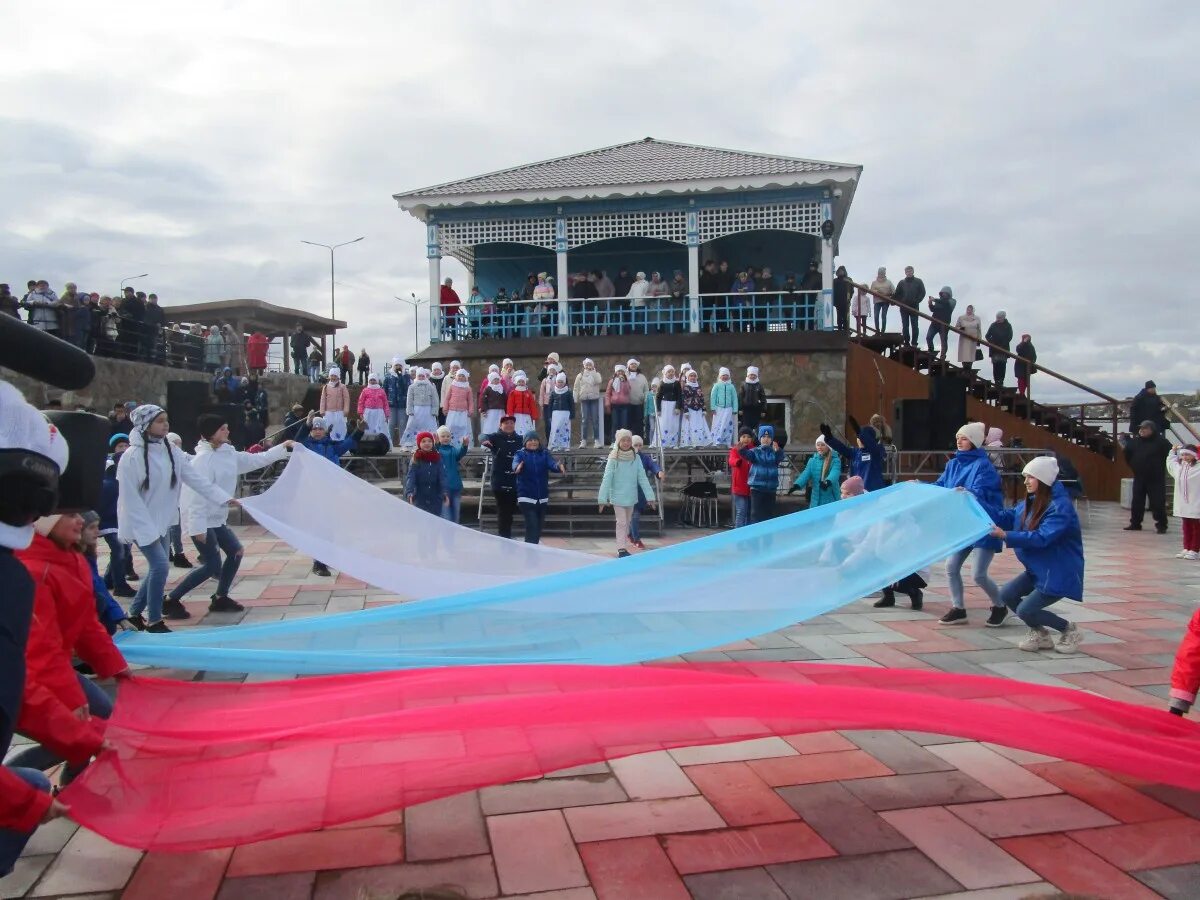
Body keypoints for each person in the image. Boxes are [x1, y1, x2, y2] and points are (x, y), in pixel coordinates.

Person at [11, 513, 130, 783]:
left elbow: (86, 621)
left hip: (52, 667)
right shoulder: (33, 571)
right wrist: (72, 699)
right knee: (71, 732)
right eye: (70, 515)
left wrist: (115, 665)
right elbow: (39, 647)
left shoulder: (71, 559)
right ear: (46, 522)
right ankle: (12, 786)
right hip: (23, 677)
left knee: (95, 719)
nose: (79, 521)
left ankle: (71, 784)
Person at [117, 405, 235, 631]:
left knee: (156, 568)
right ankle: (153, 620)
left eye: (166, 420)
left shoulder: (170, 450)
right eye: (160, 421)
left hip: (161, 522)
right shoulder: (131, 457)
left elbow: (194, 478)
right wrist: (147, 531)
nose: (166, 424)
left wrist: (223, 498)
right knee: (160, 566)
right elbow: (130, 500)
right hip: (141, 523)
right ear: (146, 425)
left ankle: (133, 614)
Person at [170, 415, 293, 614]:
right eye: (222, 429)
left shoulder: (228, 453)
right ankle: (171, 599)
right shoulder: (202, 460)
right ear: (210, 434)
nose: (227, 431)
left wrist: (282, 448)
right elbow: (194, 496)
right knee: (211, 565)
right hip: (201, 519)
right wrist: (197, 527)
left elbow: (255, 460)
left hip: (217, 518)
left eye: (227, 427)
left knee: (236, 552)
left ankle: (220, 597)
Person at [982, 457, 1085, 654]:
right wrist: (974, 501)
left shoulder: (1060, 507)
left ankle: (1069, 630)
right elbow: (1006, 516)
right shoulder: (1030, 501)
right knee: (1006, 594)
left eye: (1031, 477)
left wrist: (1005, 535)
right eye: (1025, 477)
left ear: (1044, 479)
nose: (1026, 481)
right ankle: (1040, 634)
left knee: (1026, 610)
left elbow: (1042, 537)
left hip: (1058, 570)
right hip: (1039, 568)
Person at [930, 422, 1008, 626]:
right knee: (951, 566)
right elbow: (940, 486)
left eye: (964, 438)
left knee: (979, 574)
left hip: (983, 523)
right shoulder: (952, 464)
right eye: (958, 437)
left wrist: (966, 493)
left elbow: (981, 492)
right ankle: (958, 608)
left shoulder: (984, 466)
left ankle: (1000, 605)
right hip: (963, 524)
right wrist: (919, 487)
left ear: (974, 441)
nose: (959, 441)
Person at [296, 413, 361, 576]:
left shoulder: (332, 446)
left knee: (329, 526)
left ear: (325, 431)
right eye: (315, 428)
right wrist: (305, 424)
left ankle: (326, 558)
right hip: (315, 491)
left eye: (320, 428)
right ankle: (318, 563)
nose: (317, 431)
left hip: (331, 490)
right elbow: (297, 440)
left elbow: (348, 443)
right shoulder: (307, 446)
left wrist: (359, 431)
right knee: (319, 526)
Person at [598, 429, 657, 558]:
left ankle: (623, 546)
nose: (626, 443)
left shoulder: (635, 458)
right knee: (621, 522)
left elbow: (642, 477)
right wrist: (602, 499)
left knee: (628, 521)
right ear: (618, 441)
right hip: (618, 496)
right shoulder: (613, 457)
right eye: (623, 440)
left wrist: (650, 497)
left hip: (631, 496)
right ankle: (621, 549)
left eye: (628, 440)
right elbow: (607, 478)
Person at [77, 512, 134, 635]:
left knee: (106, 616)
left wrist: (120, 618)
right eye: (91, 528)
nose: (97, 532)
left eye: (97, 527)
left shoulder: (87, 554)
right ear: (79, 529)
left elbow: (99, 587)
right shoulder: (74, 558)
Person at [99, 435, 135, 598]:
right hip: (109, 523)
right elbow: (100, 506)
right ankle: (120, 585)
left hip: (122, 522)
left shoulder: (128, 482)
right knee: (119, 550)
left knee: (123, 551)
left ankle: (108, 580)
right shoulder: (108, 483)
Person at [513, 431, 565, 544]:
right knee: (532, 524)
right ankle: (530, 551)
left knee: (538, 527)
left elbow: (552, 464)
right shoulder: (520, 454)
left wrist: (558, 466)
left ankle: (533, 549)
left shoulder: (544, 453)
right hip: (526, 497)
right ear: (525, 442)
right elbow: (515, 464)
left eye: (535, 440)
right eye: (530, 440)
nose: (533, 442)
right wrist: (517, 467)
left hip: (542, 498)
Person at [1121, 420, 1172, 533]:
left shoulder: (1162, 442)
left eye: (1145, 428)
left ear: (1152, 430)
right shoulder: (1134, 442)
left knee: (1158, 502)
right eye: (1140, 428)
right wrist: (1134, 466)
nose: (1141, 430)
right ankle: (1135, 523)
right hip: (1139, 476)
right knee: (1137, 501)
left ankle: (1162, 525)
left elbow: (1171, 456)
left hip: (1156, 478)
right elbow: (1127, 455)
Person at [481, 416, 522, 539]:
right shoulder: (495, 437)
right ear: (500, 425)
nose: (509, 425)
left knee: (510, 511)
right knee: (503, 511)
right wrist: (484, 440)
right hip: (499, 481)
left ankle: (506, 536)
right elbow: (482, 436)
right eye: (506, 423)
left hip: (514, 480)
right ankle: (504, 538)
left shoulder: (520, 439)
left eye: (511, 423)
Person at [739, 425, 786, 523]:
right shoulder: (755, 451)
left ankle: (768, 537)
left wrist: (778, 451)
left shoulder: (774, 452)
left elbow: (780, 457)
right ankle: (755, 536)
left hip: (771, 489)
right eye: (763, 437)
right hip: (757, 488)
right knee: (756, 514)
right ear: (759, 438)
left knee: (769, 515)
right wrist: (741, 448)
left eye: (769, 437)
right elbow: (747, 455)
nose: (766, 439)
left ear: (772, 439)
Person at [629, 435, 663, 549]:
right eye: (635, 445)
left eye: (640, 445)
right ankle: (636, 539)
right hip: (627, 492)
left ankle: (631, 535)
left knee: (634, 515)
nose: (638, 447)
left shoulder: (644, 458)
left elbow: (653, 465)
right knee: (633, 516)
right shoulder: (626, 457)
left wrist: (658, 472)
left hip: (640, 493)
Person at [788, 435, 841, 507]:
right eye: (818, 445)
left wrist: (828, 482)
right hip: (815, 499)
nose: (820, 447)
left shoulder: (835, 460)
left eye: (822, 445)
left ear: (828, 447)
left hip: (830, 498)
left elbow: (835, 472)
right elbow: (806, 474)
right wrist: (797, 485)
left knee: (829, 517)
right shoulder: (812, 460)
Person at [165, 432, 193, 569]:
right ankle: (177, 553)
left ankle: (176, 552)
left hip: (178, 499)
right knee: (172, 527)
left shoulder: (182, 456)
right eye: (174, 443)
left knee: (175, 526)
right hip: (167, 500)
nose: (177, 446)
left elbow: (194, 460)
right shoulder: (164, 459)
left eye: (179, 443)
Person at [1168, 445, 1200, 560]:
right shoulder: (1180, 467)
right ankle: (1186, 547)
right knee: (1186, 525)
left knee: (1196, 526)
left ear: (1194, 455)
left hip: (1196, 500)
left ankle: (1195, 549)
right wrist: (1173, 451)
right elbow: (1171, 462)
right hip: (1183, 501)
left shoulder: (1198, 468)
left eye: (1188, 454)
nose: (1185, 457)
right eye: (1183, 455)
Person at [405, 432, 447, 516]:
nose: (427, 443)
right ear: (419, 444)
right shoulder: (416, 459)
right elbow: (411, 477)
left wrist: (445, 493)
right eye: (423, 441)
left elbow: (442, 477)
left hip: (435, 498)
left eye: (429, 441)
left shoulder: (437, 458)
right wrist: (410, 493)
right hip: (419, 497)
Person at [435, 426, 470, 524]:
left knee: (456, 517)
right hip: (443, 489)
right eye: (443, 436)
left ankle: (453, 537)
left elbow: (460, 453)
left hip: (455, 487)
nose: (446, 438)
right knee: (446, 517)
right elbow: (435, 450)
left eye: (448, 436)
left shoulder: (453, 449)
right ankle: (446, 537)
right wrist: (436, 444)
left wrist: (464, 445)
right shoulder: (437, 450)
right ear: (438, 438)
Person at [441, 367, 476, 447]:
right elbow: (447, 398)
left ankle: (464, 444)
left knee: (463, 427)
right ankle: (450, 443)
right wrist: (445, 408)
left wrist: (471, 410)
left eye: (462, 376)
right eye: (459, 376)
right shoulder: (452, 386)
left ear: (466, 377)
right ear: (456, 376)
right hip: (452, 410)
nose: (460, 377)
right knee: (451, 426)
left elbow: (470, 400)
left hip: (463, 411)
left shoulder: (468, 388)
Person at [892, 266, 925, 347]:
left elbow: (922, 292)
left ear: (913, 271)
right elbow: (897, 294)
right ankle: (906, 342)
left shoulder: (918, 281)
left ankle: (914, 343)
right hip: (903, 307)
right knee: (905, 326)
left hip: (914, 307)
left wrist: (917, 300)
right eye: (907, 271)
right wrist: (893, 301)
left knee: (915, 325)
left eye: (910, 271)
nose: (909, 272)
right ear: (905, 273)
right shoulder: (901, 282)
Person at [356, 372, 391, 448]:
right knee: (368, 428)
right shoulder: (365, 390)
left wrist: (387, 414)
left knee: (381, 428)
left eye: (374, 380)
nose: (372, 381)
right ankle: (366, 445)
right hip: (368, 412)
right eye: (371, 380)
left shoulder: (381, 390)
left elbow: (385, 403)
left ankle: (384, 445)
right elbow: (361, 402)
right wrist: (361, 412)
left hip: (379, 412)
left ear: (377, 381)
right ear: (368, 381)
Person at [728, 428, 754, 527]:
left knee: (749, 512)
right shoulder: (735, 449)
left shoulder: (753, 450)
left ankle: (747, 533)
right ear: (739, 438)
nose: (746, 439)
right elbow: (731, 460)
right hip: (739, 487)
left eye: (748, 437)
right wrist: (737, 462)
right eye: (743, 437)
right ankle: (738, 534)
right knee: (741, 511)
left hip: (751, 486)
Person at [574, 359, 603, 447]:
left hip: (594, 398)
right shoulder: (580, 375)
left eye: (590, 364)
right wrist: (576, 398)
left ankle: (597, 440)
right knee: (584, 420)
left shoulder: (596, 374)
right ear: (584, 366)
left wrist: (593, 371)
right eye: (587, 365)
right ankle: (583, 440)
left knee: (595, 420)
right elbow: (576, 387)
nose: (588, 366)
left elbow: (599, 381)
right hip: (584, 399)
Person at [319, 367, 352, 442]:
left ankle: (340, 440)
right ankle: (328, 440)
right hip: (328, 412)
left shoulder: (343, 387)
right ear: (329, 376)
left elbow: (346, 399)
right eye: (332, 376)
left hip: (339, 411)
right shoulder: (326, 387)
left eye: (335, 376)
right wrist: (322, 410)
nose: (333, 377)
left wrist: (346, 409)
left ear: (338, 377)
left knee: (339, 427)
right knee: (328, 426)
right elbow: (323, 399)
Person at [680, 369, 711, 447]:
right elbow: (684, 399)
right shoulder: (686, 387)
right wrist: (686, 410)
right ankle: (690, 443)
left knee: (699, 426)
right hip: (690, 410)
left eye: (694, 376)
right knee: (690, 426)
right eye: (691, 376)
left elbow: (701, 398)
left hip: (699, 410)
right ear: (687, 377)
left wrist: (704, 409)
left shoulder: (698, 387)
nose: (693, 377)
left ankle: (699, 443)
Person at [384, 357, 411, 446]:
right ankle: (389, 443)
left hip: (402, 404)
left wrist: (400, 377)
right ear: (393, 366)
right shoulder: (388, 376)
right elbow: (384, 390)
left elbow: (406, 388)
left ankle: (403, 443)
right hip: (391, 403)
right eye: (396, 365)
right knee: (391, 424)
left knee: (402, 424)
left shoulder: (406, 376)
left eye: (400, 365)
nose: (398, 367)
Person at [708, 367, 738, 446]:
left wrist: (735, 409)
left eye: (726, 375)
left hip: (728, 408)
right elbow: (713, 397)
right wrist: (713, 408)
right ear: (720, 376)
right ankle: (716, 441)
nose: (725, 377)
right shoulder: (717, 386)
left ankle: (726, 442)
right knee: (718, 424)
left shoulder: (731, 386)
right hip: (718, 408)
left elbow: (734, 398)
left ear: (729, 376)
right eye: (723, 375)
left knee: (727, 424)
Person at [926, 286, 957, 360]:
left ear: (949, 294)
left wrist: (934, 299)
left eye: (946, 293)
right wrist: (930, 303)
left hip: (944, 325)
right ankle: (931, 351)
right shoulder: (938, 301)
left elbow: (945, 303)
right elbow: (933, 309)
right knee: (928, 337)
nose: (944, 294)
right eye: (943, 293)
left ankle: (943, 356)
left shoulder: (952, 301)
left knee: (943, 342)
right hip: (934, 323)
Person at [656, 364, 682, 448]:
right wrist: (658, 409)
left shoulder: (677, 383)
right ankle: (663, 443)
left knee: (673, 424)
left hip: (674, 406)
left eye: (672, 372)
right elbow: (658, 397)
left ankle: (673, 443)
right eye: (669, 372)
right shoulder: (662, 383)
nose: (671, 373)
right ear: (665, 373)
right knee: (664, 424)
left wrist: (678, 407)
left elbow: (679, 396)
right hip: (664, 406)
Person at [985, 311, 1013, 387]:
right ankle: (996, 381)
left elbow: (1010, 336)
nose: (998, 319)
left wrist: (1003, 344)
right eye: (997, 318)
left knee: (1002, 365)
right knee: (996, 365)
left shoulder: (1008, 325)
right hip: (994, 349)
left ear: (1004, 317)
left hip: (1003, 349)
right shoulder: (993, 325)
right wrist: (992, 342)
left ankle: (1001, 381)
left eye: (999, 318)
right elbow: (987, 336)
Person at [506, 371, 539, 437]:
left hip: (526, 415)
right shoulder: (513, 393)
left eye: (522, 381)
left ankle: (526, 440)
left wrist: (534, 415)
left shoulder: (528, 393)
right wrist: (510, 415)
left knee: (526, 428)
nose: (521, 383)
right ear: (516, 382)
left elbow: (532, 405)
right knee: (517, 428)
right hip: (516, 415)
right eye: (519, 381)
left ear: (525, 382)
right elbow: (510, 404)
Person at [547, 371, 574, 450]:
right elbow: (550, 404)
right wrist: (549, 415)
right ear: (556, 382)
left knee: (565, 429)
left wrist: (572, 414)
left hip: (566, 413)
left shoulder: (568, 392)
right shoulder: (553, 392)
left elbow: (571, 404)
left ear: (564, 382)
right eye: (558, 382)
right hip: (555, 413)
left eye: (562, 382)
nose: (560, 383)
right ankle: (555, 445)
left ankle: (565, 445)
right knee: (555, 429)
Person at [605, 364, 631, 440]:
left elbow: (628, 391)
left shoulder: (626, 381)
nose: (620, 373)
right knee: (615, 423)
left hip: (624, 405)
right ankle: (614, 440)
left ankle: (624, 440)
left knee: (624, 424)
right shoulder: (612, 381)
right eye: (618, 371)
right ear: (616, 372)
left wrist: (624, 382)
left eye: (622, 371)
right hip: (615, 405)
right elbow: (608, 393)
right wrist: (607, 403)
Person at [955, 304, 983, 373]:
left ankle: (969, 368)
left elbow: (979, 329)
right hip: (964, 338)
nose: (969, 311)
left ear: (973, 310)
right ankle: (965, 367)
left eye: (970, 309)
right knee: (964, 354)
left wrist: (979, 339)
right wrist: (961, 328)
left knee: (971, 354)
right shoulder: (961, 318)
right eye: (968, 309)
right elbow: (956, 327)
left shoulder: (977, 318)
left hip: (973, 338)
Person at [480, 371, 508, 437]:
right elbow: (483, 400)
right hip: (491, 411)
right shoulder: (488, 389)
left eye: (497, 379)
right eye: (494, 379)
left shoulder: (501, 389)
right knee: (490, 424)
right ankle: (488, 439)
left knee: (500, 424)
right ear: (491, 380)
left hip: (501, 410)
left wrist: (506, 410)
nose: (496, 381)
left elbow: (505, 400)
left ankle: (500, 437)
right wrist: (484, 410)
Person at [626, 359, 649, 439]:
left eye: (635, 364)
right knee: (628, 423)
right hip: (627, 403)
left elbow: (646, 389)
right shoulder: (625, 375)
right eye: (631, 364)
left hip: (639, 403)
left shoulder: (642, 377)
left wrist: (645, 398)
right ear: (628, 366)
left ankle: (639, 439)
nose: (633, 365)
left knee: (639, 423)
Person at [740, 366, 767, 433]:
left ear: (756, 376)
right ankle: (747, 440)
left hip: (756, 409)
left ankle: (756, 440)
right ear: (748, 375)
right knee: (746, 426)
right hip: (746, 410)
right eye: (751, 375)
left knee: (756, 426)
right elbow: (740, 397)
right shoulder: (744, 385)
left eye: (754, 375)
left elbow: (763, 398)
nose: (752, 376)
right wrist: (740, 408)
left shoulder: (759, 385)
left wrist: (763, 410)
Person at [870, 267, 894, 334]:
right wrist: (878, 291)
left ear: (884, 273)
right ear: (878, 273)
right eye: (880, 273)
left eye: (882, 273)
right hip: (877, 302)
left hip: (885, 302)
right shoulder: (874, 282)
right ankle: (877, 331)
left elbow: (894, 291)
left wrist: (887, 294)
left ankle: (883, 331)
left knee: (883, 316)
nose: (881, 274)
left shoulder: (889, 282)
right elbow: (871, 290)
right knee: (876, 316)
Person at [833, 266, 852, 332]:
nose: (840, 272)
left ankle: (846, 329)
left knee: (846, 316)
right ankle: (840, 328)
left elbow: (851, 290)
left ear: (844, 272)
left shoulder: (849, 279)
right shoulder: (835, 281)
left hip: (846, 301)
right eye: (839, 271)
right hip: (838, 301)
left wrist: (849, 298)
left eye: (842, 271)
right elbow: (833, 291)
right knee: (839, 315)